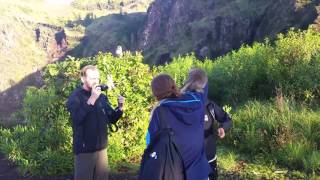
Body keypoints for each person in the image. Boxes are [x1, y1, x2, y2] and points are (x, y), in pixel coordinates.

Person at [146, 73, 211, 180]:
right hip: (199, 172)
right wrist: (191, 80)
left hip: (174, 174)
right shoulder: (196, 99)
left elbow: (150, 144)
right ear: (174, 85)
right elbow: (203, 83)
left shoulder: (159, 112)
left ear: (156, 94)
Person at [66, 65, 124, 180]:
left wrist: (120, 107)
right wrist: (91, 99)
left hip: (102, 149)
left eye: (97, 78)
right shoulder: (75, 97)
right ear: (83, 79)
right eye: (92, 78)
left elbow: (112, 118)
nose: (95, 81)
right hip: (84, 151)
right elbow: (76, 119)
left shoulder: (102, 97)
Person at [181, 68, 232, 180]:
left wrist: (223, 128)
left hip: (209, 157)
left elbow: (227, 119)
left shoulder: (210, 105)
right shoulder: (179, 105)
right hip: (188, 161)